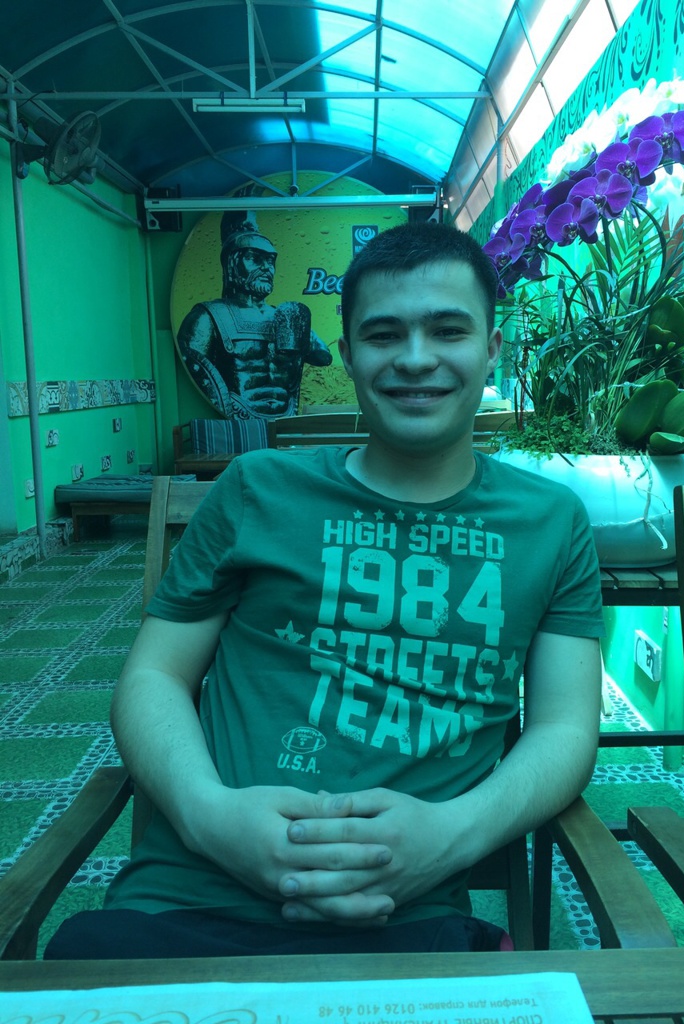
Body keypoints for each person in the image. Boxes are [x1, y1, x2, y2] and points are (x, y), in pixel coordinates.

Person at [45, 221, 604, 959]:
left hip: (403, 924)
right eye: (383, 334)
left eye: (448, 330)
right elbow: (153, 676)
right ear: (346, 355)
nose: (415, 358)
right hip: (185, 903)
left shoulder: (550, 524)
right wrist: (210, 819)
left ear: (492, 347)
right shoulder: (257, 489)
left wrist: (452, 835)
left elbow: (565, 727)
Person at [176, 207, 332, 419]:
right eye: (255, 258)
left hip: (286, 419)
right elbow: (193, 371)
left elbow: (323, 357)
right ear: (232, 263)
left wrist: (301, 335)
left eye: (270, 260)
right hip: (235, 420)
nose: (267, 268)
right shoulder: (208, 317)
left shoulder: (284, 318)